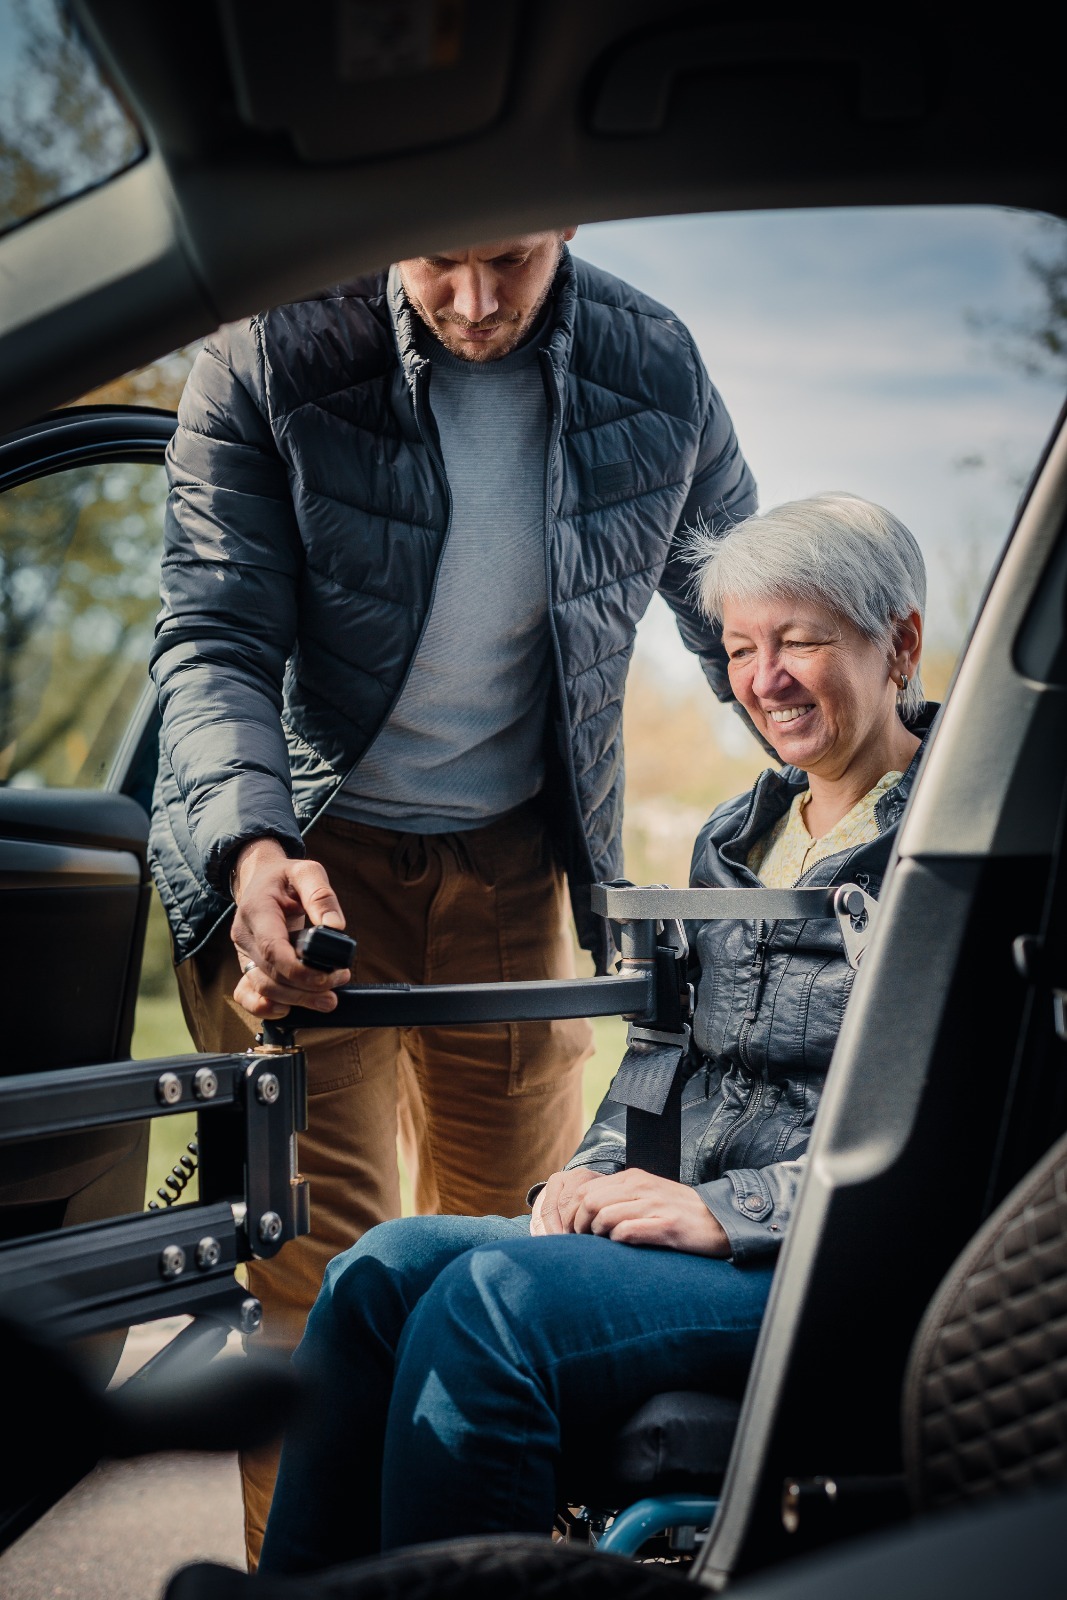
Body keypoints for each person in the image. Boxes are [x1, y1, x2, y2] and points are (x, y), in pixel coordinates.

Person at [148, 228, 756, 1561]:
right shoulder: (268, 349)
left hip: (509, 862)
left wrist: (916, 783)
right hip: (309, 853)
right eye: (435, 259)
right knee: (322, 1276)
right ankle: (308, 1587)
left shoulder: (653, 366)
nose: (474, 302)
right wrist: (248, 850)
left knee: (524, 1252)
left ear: (573, 223)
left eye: (513, 260)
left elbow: (749, 615)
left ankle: (477, 1577)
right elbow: (214, 636)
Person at [257, 492, 935, 1573]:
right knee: (375, 1272)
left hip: (819, 1258)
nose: (763, 678)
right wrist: (590, 1171)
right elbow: (668, 1056)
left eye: (799, 640)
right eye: (741, 646)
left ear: (897, 641)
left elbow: (946, 1119)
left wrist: (722, 1211)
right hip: (698, 1237)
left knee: (493, 1306)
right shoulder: (738, 835)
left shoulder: (953, 847)